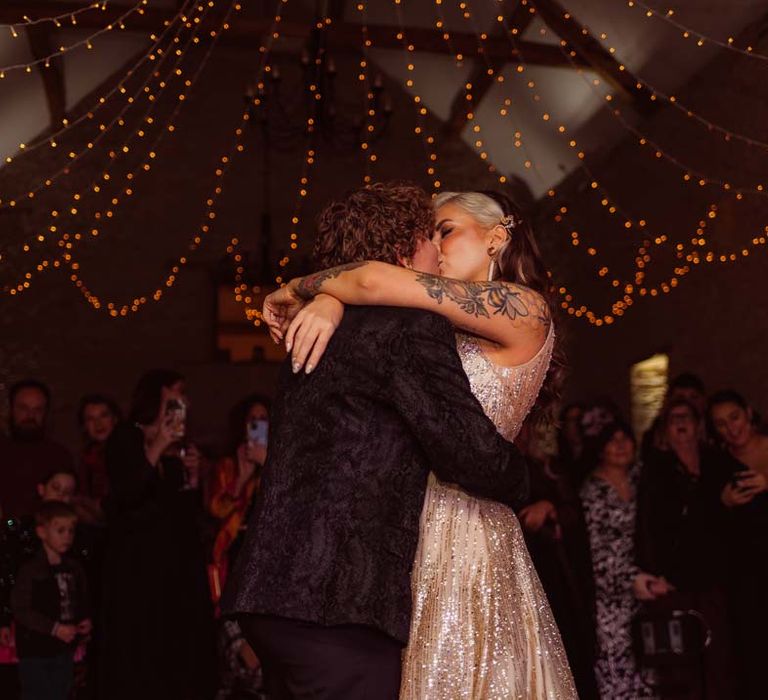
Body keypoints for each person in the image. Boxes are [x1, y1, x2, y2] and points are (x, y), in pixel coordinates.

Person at [260, 187, 576, 698]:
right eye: (429, 235)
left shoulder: (524, 308)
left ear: (497, 237)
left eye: (445, 230)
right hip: (394, 530)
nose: (435, 244)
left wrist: (306, 288)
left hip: (466, 527)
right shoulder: (421, 324)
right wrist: (330, 301)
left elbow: (373, 277)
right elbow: (376, 288)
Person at [101, 370, 216, 700]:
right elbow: (128, 494)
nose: (183, 403)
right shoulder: (126, 436)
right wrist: (158, 446)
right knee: (141, 642)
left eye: (184, 396)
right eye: (174, 396)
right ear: (155, 398)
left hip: (178, 561)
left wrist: (194, 477)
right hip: (138, 562)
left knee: (181, 641)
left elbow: (186, 509)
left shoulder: (182, 442)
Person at [636, 397, 734, 698]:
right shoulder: (656, 469)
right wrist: (652, 572)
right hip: (673, 580)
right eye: (673, 418)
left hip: (716, 577)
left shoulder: (717, 462)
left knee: (720, 664)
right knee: (681, 666)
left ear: (698, 424)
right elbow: (646, 524)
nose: (680, 423)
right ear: (665, 428)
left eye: (686, 417)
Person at [581, 421, 671, 699]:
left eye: (626, 438)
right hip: (609, 597)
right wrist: (630, 578)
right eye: (612, 440)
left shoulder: (639, 480)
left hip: (643, 593)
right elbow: (595, 552)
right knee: (616, 669)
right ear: (600, 448)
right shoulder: (593, 491)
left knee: (647, 673)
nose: (620, 445)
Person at [708, 390, 768, 700]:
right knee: (755, 654)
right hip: (748, 577)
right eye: (721, 424)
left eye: (734, 417)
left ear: (748, 411)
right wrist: (723, 503)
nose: (732, 429)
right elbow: (709, 529)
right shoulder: (717, 465)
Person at [11, 500, 91, 700]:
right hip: (36, 650)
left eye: (71, 531)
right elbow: (21, 609)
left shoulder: (74, 568)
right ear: (42, 532)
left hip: (63, 648)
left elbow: (81, 599)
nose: (67, 537)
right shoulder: (30, 570)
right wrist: (54, 628)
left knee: (61, 691)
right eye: (60, 530)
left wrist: (84, 620)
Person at [208, 394, 270, 598]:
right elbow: (217, 510)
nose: (258, 424)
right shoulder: (228, 465)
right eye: (253, 419)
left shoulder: (279, 463)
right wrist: (242, 480)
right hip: (235, 549)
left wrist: (267, 463)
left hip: (267, 551)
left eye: (264, 419)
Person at [0, 380, 74, 519]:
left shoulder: (59, 455)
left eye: (37, 409)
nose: (30, 416)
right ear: (11, 409)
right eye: (24, 408)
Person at [77, 394, 121, 504]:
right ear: (84, 426)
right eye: (90, 419)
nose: (98, 423)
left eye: (104, 416)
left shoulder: (129, 451)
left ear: (115, 419)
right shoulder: (86, 457)